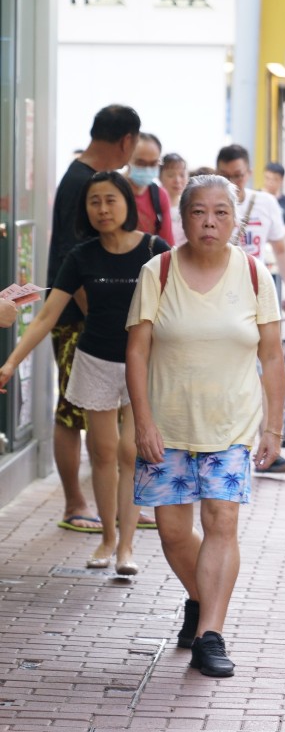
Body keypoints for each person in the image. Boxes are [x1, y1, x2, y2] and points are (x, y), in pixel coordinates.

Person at [126, 174, 285, 678]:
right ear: (183, 216)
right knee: (173, 532)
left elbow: (272, 358)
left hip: (231, 425)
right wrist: (143, 422)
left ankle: (210, 634)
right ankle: (200, 597)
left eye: (221, 212)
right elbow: (136, 351)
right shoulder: (160, 270)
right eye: (199, 211)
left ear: (235, 220)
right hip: (166, 424)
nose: (209, 221)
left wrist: (273, 429)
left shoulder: (256, 276)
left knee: (221, 522)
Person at [1, 171, 171, 573]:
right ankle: (107, 538)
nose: (103, 209)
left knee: (131, 452)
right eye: (94, 201)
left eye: (111, 199)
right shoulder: (80, 256)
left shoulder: (155, 249)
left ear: (127, 202)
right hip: (94, 359)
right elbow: (45, 317)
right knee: (103, 453)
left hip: (143, 363)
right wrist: (10, 363)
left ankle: (126, 547)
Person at [46, 104, 140, 535]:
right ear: (127, 141)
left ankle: (119, 506)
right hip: (75, 323)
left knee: (113, 428)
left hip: (93, 325)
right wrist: (98, 316)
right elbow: (76, 264)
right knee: (71, 411)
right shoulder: (81, 184)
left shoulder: (81, 178)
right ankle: (74, 503)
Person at [215, 144, 285, 474]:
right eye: (226, 175)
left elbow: (280, 247)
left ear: (248, 173)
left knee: (267, 365)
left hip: (256, 293)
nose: (233, 182)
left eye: (238, 175)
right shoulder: (209, 203)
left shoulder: (265, 204)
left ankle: (267, 443)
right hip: (218, 297)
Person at [126, 132, 176, 247]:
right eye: (141, 163)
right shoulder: (113, 191)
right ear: (128, 158)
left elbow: (167, 243)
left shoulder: (159, 195)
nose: (147, 169)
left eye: (153, 163)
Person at [159, 152, 188, 246]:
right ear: (160, 177)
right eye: (171, 175)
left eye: (182, 175)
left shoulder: (190, 207)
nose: (177, 180)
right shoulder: (154, 207)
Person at [261, 162, 285, 227]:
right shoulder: (256, 197)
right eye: (267, 178)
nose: (270, 182)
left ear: (282, 180)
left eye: (275, 179)